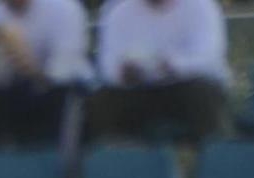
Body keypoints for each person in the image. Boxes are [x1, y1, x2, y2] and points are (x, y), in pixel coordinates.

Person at [86, 0, 230, 139]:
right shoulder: (119, 10)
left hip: (187, 86)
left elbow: (209, 57)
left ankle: (204, 152)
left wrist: (173, 65)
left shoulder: (201, 6)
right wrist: (123, 73)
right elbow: (108, 66)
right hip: (139, 89)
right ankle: (116, 156)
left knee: (201, 93)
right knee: (103, 101)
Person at [0, 0, 93, 146]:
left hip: (67, 90)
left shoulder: (64, 8)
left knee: (65, 100)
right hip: (18, 92)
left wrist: (28, 65)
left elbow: (65, 70)